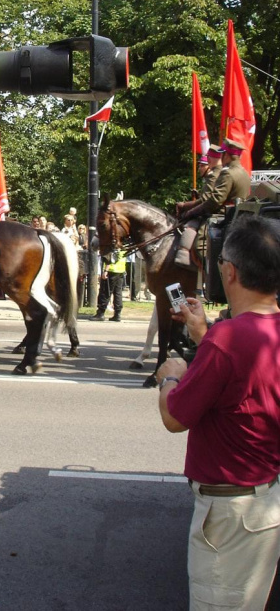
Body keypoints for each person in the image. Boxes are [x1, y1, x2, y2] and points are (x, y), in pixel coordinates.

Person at [157, 214, 280, 610]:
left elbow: (175, 417)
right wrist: (203, 332)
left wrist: (171, 377)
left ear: (228, 270)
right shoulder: (248, 335)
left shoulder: (227, 339)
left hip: (231, 512)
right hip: (264, 500)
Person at [175, 140, 249, 269]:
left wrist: (191, 212)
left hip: (223, 216)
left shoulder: (228, 173)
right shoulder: (243, 172)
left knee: (200, 245)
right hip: (236, 214)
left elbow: (215, 200)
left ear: (226, 155)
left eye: (222, 154)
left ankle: (214, 276)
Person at [90, 248, 127, 322]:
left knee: (105, 291)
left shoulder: (113, 245)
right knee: (118, 293)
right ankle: (117, 314)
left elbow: (110, 258)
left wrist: (106, 270)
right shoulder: (124, 246)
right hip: (121, 270)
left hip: (111, 270)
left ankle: (100, 313)